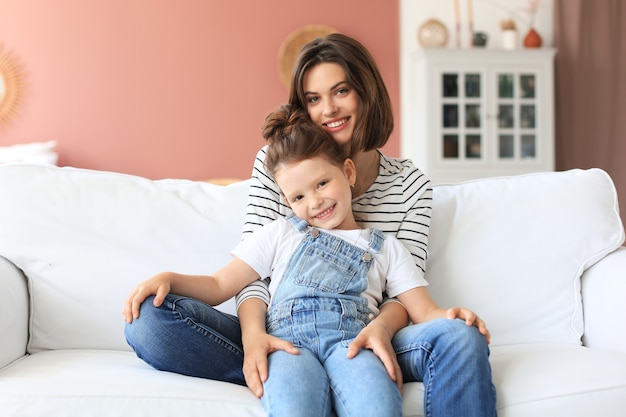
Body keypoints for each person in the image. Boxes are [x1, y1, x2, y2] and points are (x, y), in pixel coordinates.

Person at [124, 33, 497, 417]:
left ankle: (328, 375)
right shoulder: (280, 165)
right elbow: (243, 277)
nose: (329, 109)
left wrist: (381, 331)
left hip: (367, 336)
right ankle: (281, 370)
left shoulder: (407, 189)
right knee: (149, 320)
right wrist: (255, 339)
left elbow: (408, 295)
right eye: (313, 99)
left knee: (460, 338)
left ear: (366, 92)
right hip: (280, 333)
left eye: (341, 91)